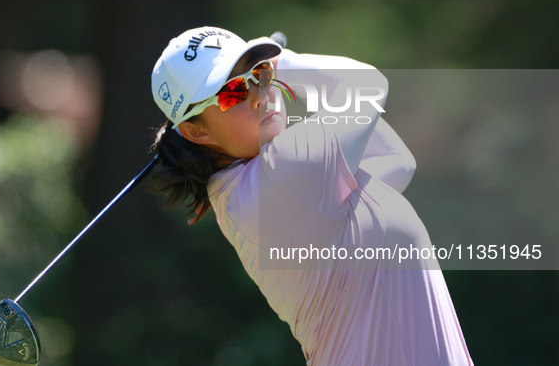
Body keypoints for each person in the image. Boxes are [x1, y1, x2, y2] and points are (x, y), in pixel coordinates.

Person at [150, 26, 473, 365]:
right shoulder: (283, 172)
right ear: (195, 130)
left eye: (260, 73)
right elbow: (367, 86)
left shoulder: (252, 188)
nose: (260, 93)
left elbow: (394, 163)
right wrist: (284, 60)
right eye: (232, 92)